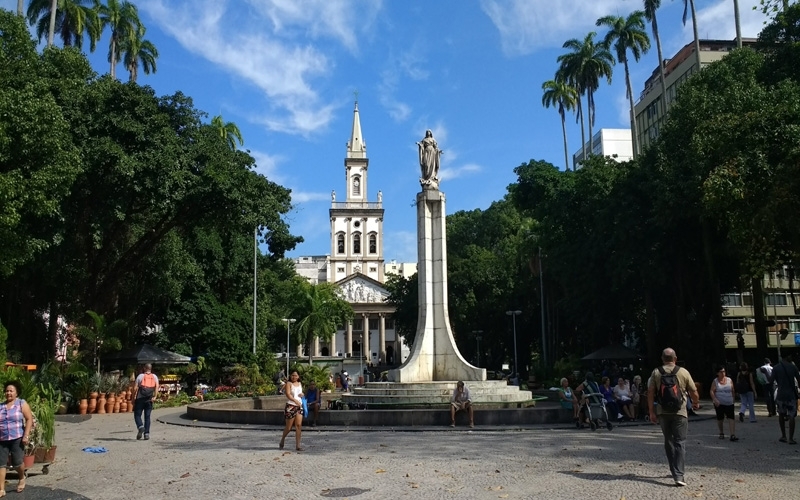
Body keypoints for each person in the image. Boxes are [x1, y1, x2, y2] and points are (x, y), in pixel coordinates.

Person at [647, 348, 700, 487]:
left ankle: (673, 469)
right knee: (680, 442)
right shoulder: (683, 372)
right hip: (680, 412)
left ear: (662, 359)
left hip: (663, 412)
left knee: (668, 441)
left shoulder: (656, 372)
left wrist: (651, 412)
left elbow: (650, 392)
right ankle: (679, 475)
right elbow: (693, 391)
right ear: (675, 358)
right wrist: (695, 403)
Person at [0, 381, 33, 495]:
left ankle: (21, 476)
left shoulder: (21, 403)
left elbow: (29, 419)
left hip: (17, 438)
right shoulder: (1, 406)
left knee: (17, 463)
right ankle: (1, 489)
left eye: (11, 391)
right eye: (7, 391)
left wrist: (26, 435)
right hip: (2, 439)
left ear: (16, 392)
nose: (8, 393)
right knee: (1, 464)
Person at [769, 353, 800, 444]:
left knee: (781, 415)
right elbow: (799, 380)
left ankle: (783, 435)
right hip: (790, 394)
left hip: (781, 394)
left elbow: (771, 380)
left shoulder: (776, 368)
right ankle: (791, 438)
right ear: (788, 356)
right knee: (791, 416)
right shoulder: (793, 367)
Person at [710, 365, 738, 441]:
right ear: (717, 373)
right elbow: (712, 391)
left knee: (731, 418)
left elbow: (732, 390)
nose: (723, 373)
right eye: (721, 372)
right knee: (720, 418)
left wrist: (733, 398)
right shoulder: (715, 381)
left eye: (724, 371)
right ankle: (721, 432)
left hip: (729, 402)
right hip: (719, 403)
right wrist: (715, 399)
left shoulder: (729, 380)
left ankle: (732, 434)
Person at [132, 364, 159, 441]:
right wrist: (155, 396)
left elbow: (135, 388)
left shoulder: (140, 376)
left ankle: (140, 427)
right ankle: (146, 434)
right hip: (149, 399)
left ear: (144, 368)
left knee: (137, 415)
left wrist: (133, 397)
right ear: (151, 369)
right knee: (147, 417)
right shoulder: (154, 377)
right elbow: (157, 387)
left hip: (140, 398)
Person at [279, 370, 304, 451]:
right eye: (293, 375)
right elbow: (288, 394)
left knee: (298, 425)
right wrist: (294, 400)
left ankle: (298, 445)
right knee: (289, 427)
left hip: (299, 406)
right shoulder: (289, 384)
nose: (294, 377)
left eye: (296, 375)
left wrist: (302, 394)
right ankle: (282, 439)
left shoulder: (299, 384)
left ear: (298, 376)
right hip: (291, 406)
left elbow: (300, 393)